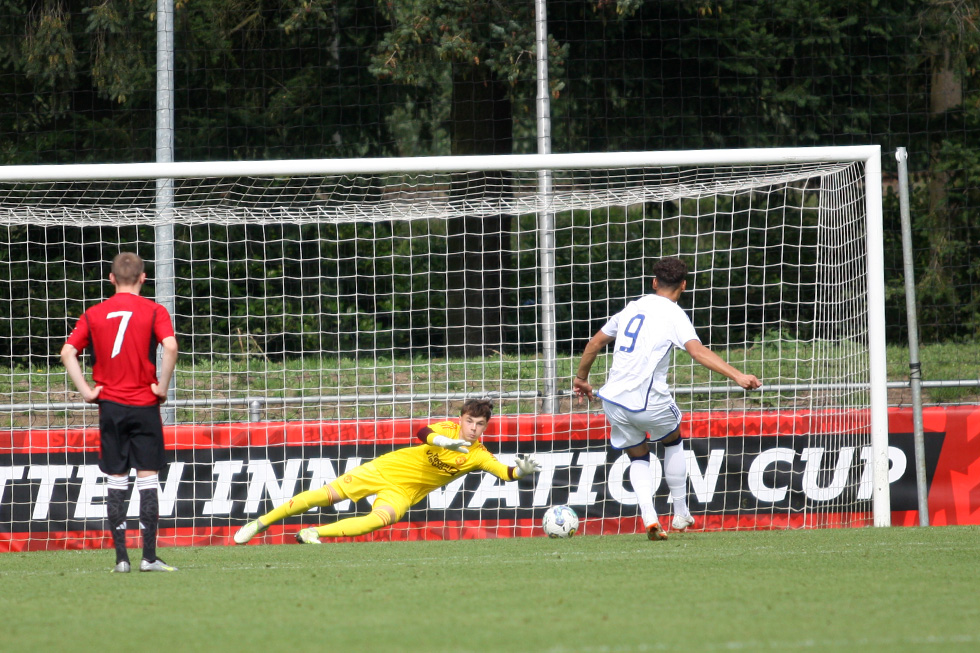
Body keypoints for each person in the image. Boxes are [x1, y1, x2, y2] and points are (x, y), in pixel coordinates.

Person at [573, 256, 761, 540]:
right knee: (672, 439)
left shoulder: (633, 307)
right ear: (683, 285)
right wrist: (737, 375)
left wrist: (581, 379)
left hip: (612, 400)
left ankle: (649, 517)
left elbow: (595, 343)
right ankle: (681, 512)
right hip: (647, 401)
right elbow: (697, 352)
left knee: (637, 454)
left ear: (654, 282)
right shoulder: (674, 314)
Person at [234, 399, 541, 544]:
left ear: (486, 426)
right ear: (460, 419)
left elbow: (504, 472)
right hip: (385, 469)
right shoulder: (446, 429)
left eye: (480, 425)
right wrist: (445, 442)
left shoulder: (479, 455)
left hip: (405, 492)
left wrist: (520, 471)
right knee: (325, 496)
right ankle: (260, 522)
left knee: (376, 522)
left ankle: (313, 533)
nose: (473, 429)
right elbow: (423, 432)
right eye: (469, 422)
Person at [61, 252, 180, 572]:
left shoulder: (94, 313)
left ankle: (121, 560)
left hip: (110, 407)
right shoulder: (154, 310)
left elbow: (68, 351)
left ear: (111, 279)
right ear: (144, 278)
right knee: (148, 479)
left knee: (116, 480)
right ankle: (149, 557)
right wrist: (162, 386)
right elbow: (170, 346)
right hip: (144, 405)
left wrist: (87, 392)